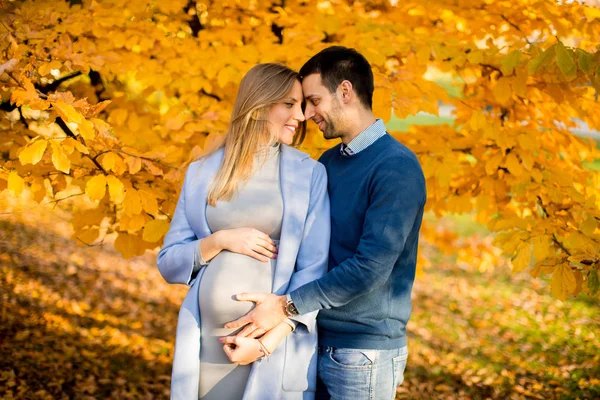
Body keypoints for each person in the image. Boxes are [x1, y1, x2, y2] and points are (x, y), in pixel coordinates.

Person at [225, 47, 427, 399]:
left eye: (314, 101)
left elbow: (370, 269)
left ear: (345, 92)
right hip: (311, 337)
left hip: (364, 351)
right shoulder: (329, 163)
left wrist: (285, 305)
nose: (306, 113)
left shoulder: (396, 168)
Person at [157, 63, 330, 400]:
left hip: (271, 346)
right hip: (206, 345)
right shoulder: (201, 172)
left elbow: (314, 270)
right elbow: (168, 261)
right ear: (259, 104)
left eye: (303, 105)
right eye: (289, 104)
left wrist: (266, 342)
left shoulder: (309, 174)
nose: (302, 115)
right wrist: (219, 240)